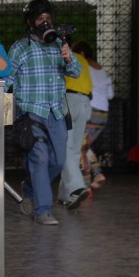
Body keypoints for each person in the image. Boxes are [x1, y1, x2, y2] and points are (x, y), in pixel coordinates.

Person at [4, 0, 81, 225]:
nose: (45, 22)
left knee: (57, 161)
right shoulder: (20, 48)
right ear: (30, 22)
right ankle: (43, 211)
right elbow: (7, 80)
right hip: (30, 112)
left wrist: (68, 57)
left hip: (56, 111)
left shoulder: (59, 44)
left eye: (48, 18)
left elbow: (75, 72)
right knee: (40, 158)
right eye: (40, 18)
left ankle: (29, 188)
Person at [72, 40, 114, 191]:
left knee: (79, 146)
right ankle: (97, 175)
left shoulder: (83, 67)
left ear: (81, 54)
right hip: (103, 113)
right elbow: (110, 95)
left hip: (89, 110)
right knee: (83, 146)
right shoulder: (102, 70)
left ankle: (86, 185)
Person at [58, 40, 91, 209]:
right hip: (85, 102)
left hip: (69, 101)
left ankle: (76, 188)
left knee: (65, 148)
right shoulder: (82, 60)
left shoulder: (63, 56)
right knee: (75, 149)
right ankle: (65, 194)